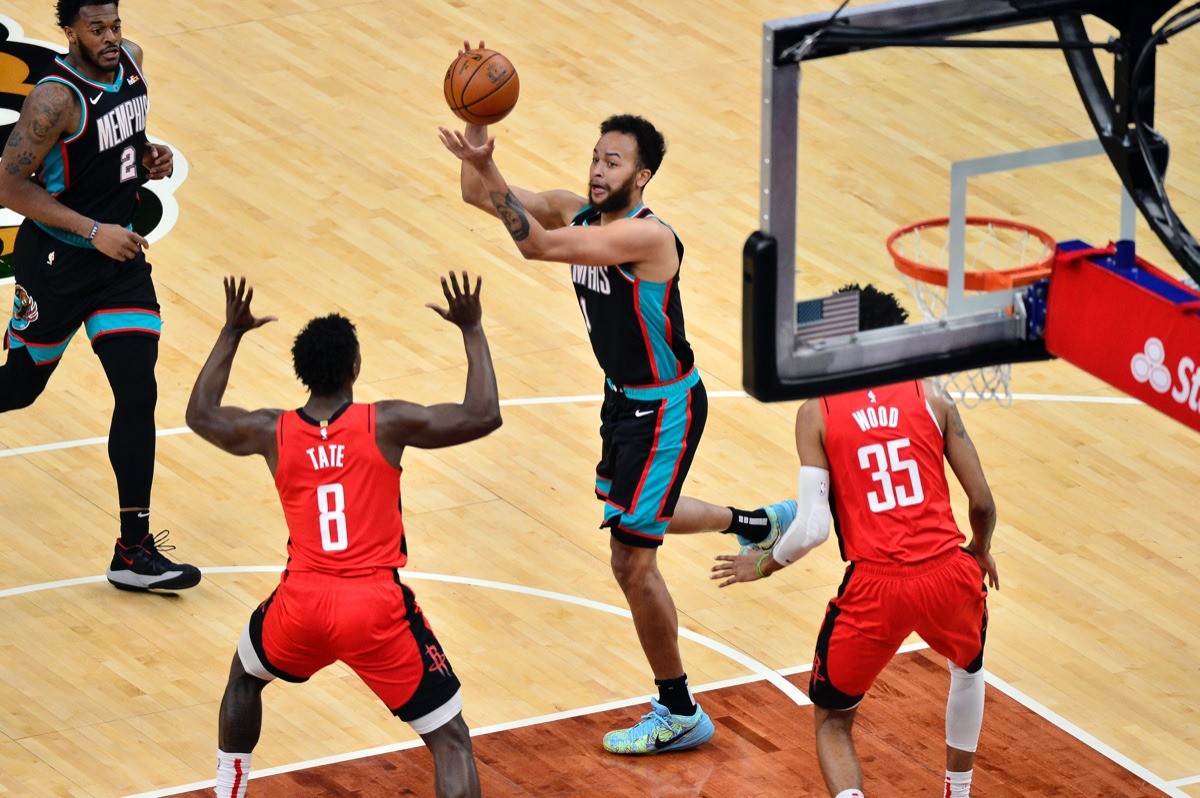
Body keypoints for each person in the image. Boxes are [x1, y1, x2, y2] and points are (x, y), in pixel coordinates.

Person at [440, 42, 794, 755]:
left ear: (643, 175)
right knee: (637, 517)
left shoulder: (645, 237)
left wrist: (490, 171)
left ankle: (679, 710)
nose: (597, 170)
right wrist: (476, 137)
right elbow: (482, 198)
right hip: (623, 400)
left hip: (666, 406)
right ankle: (757, 521)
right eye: (596, 157)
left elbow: (536, 246)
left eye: (613, 162)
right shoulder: (583, 211)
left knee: (633, 559)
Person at [186, 273, 498, 798]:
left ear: (302, 373)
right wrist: (472, 329)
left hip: (301, 601)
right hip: (373, 605)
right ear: (355, 367)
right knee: (450, 739)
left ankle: (228, 791)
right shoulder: (387, 423)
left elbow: (201, 415)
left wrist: (231, 333)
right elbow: (482, 414)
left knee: (245, 676)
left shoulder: (271, 431)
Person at [712, 291, 999, 798]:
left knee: (832, 721)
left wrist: (764, 564)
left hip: (876, 588)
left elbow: (814, 528)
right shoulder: (933, 396)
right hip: (948, 572)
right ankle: (959, 791)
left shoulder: (816, 412)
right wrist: (979, 549)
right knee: (968, 669)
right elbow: (982, 501)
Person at [0, 1, 197, 590]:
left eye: (115, 25)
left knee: (139, 394)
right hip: (59, 263)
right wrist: (91, 230)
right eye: (97, 29)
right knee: (18, 390)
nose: (112, 38)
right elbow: (9, 186)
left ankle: (132, 551)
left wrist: (148, 159)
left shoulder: (131, 63)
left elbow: (122, 146)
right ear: (69, 32)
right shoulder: (54, 100)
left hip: (120, 265)